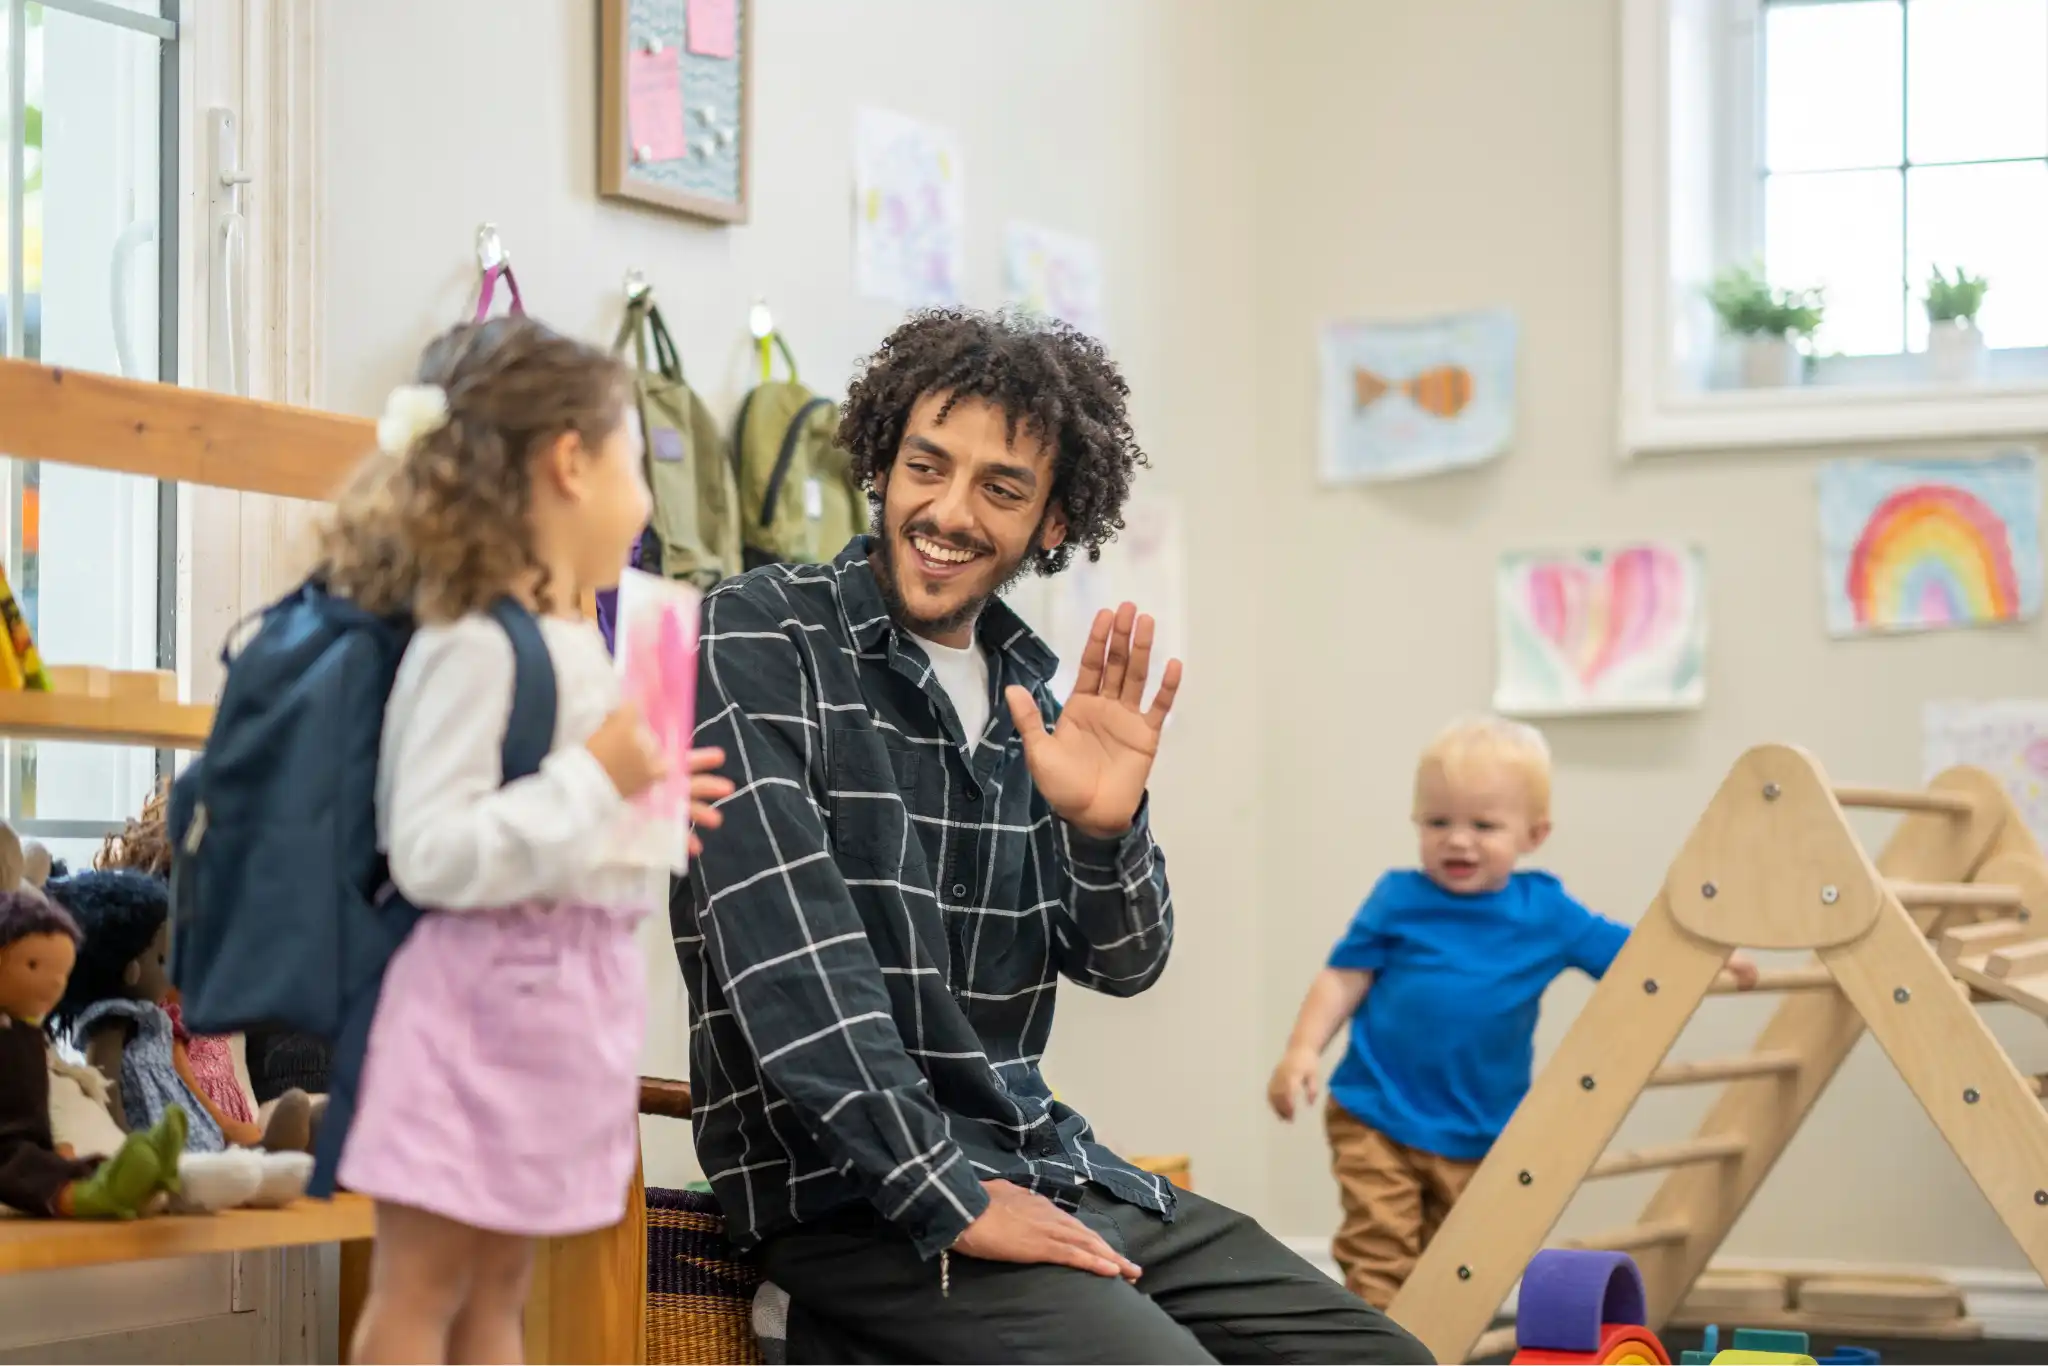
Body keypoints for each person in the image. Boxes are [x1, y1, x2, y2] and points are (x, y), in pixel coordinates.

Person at [676, 309, 1430, 1365]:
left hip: (1048, 1166)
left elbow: (1125, 962)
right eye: (924, 466)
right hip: (858, 1198)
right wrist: (941, 1185)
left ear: (1052, 520)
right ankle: (814, 1328)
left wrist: (1104, 831)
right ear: (881, 465)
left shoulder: (1032, 690)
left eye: (1000, 487)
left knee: (1383, 1358)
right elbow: (791, 963)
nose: (946, 511)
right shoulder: (760, 633)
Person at [319, 316, 735, 1365]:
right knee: (420, 1292)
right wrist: (596, 778)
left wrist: (634, 807)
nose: (644, 503)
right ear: (568, 464)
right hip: (468, 1023)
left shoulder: (565, 638)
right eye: (634, 463)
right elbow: (433, 849)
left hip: (556, 1023)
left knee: (502, 1292)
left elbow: (555, 816)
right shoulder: (468, 639)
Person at [1267, 716, 1761, 1309]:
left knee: (1461, 1262)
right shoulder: (1398, 898)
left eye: (1484, 825)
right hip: (1378, 1112)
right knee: (1381, 1252)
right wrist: (1302, 1049)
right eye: (1438, 822)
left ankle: (1431, 1343)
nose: (1458, 840)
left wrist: (1706, 957)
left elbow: (1633, 958)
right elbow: (1343, 977)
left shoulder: (1544, 911)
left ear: (1535, 833)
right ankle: (1379, 1347)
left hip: (1482, 1131)